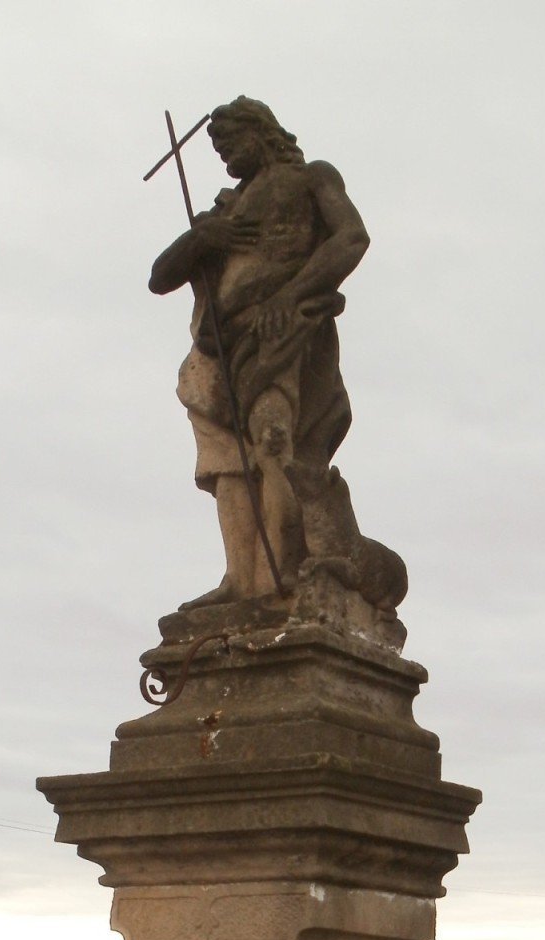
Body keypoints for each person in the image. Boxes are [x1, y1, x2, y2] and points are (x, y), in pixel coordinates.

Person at [149, 97, 369, 607]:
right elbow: (160, 277)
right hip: (219, 349)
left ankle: (279, 577)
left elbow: (351, 238)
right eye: (217, 149)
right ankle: (239, 580)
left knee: (273, 443)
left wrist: (288, 297)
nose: (225, 158)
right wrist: (202, 237)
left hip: (281, 335)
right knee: (227, 462)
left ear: (262, 134)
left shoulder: (311, 178)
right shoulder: (223, 212)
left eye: (231, 144)